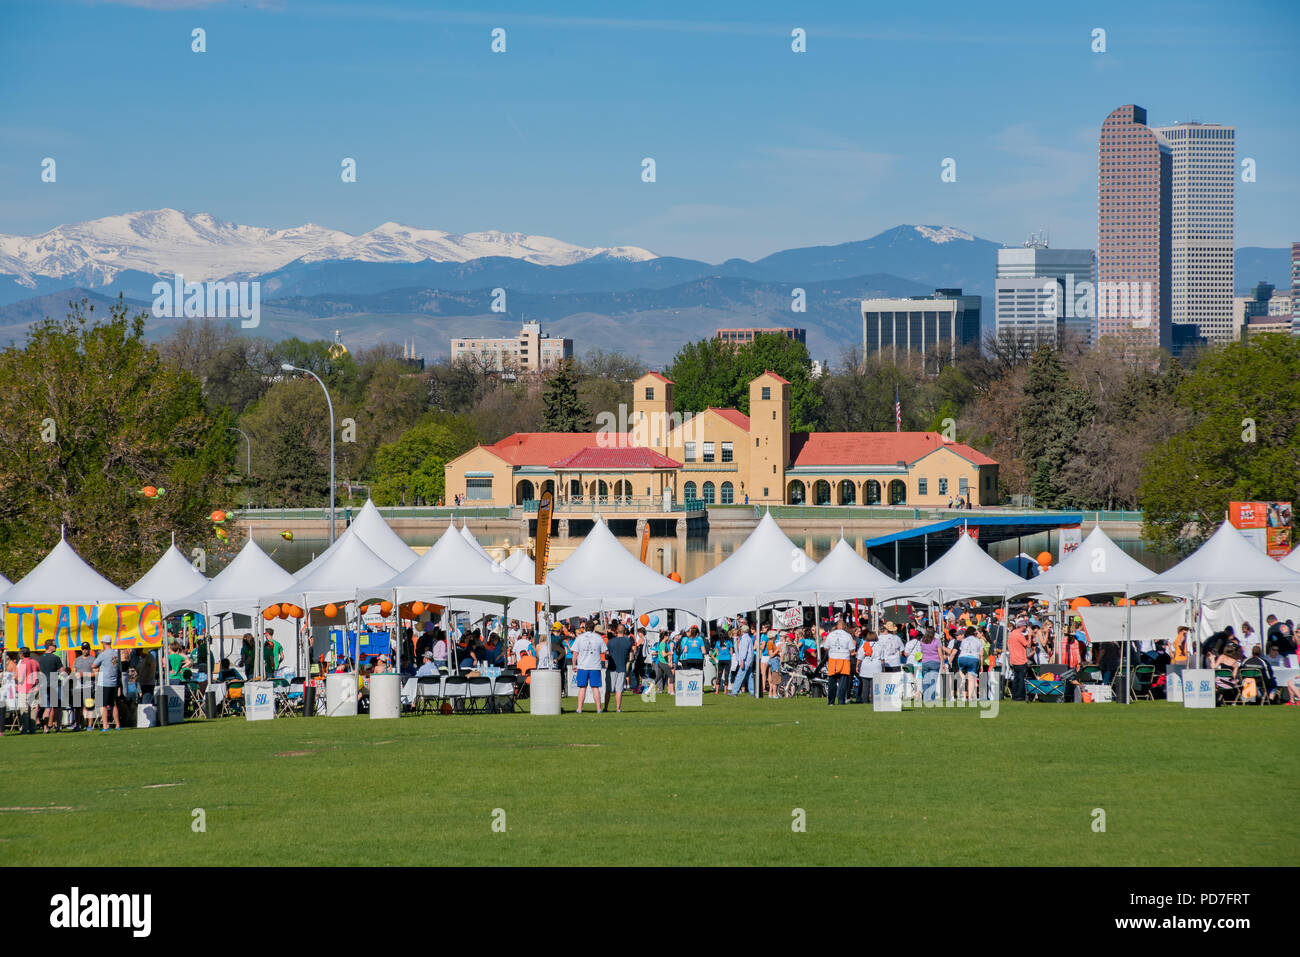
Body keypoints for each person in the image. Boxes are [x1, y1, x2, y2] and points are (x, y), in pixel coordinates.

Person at [570, 620, 605, 714]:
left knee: (582, 688)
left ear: (585, 627)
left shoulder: (580, 638)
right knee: (595, 688)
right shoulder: (598, 638)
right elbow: (605, 651)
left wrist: (574, 664)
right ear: (594, 628)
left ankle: (579, 708)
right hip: (595, 666)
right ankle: (598, 709)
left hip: (583, 666)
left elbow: (575, 653)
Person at [822, 616, 855, 706]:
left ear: (837, 626)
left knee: (832, 681)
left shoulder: (831, 635)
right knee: (843, 682)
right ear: (844, 626)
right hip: (844, 659)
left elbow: (825, 647)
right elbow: (852, 649)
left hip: (833, 659)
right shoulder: (848, 636)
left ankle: (831, 701)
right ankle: (841, 701)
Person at [92, 641, 122, 731]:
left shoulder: (103, 654)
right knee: (113, 704)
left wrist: (99, 667)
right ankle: (117, 725)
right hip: (114, 682)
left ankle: (105, 726)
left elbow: (93, 665)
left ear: (103, 643)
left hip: (104, 682)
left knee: (103, 705)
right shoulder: (115, 653)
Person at [605, 623, 633, 713]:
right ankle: (618, 708)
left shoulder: (610, 641)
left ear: (616, 630)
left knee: (608, 689)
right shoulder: (628, 641)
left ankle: (605, 708)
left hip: (611, 667)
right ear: (624, 631)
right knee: (619, 690)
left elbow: (606, 655)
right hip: (622, 668)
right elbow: (631, 657)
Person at [37, 640, 64, 732]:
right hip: (55, 684)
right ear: (50, 646)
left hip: (43, 685)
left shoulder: (40, 659)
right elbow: (62, 671)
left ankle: (45, 728)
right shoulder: (55, 658)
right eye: (55, 645)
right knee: (58, 707)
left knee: (47, 708)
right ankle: (58, 728)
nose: (56, 647)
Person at [14, 648, 41, 734]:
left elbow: (20, 678)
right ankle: (33, 729)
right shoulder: (35, 662)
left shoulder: (23, 663)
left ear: (22, 654)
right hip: (35, 688)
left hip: (24, 689)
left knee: (24, 710)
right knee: (33, 709)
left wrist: (14, 678)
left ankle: (25, 729)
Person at [730, 625, 757, 697]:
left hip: (745, 661)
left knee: (739, 676)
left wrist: (742, 661)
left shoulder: (744, 639)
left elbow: (744, 651)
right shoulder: (749, 638)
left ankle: (734, 691)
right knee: (749, 675)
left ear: (742, 631)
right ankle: (752, 692)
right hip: (749, 660)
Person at [1008, 617, 1031, 701]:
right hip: (1021, 660)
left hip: (1013, 660)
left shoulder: (1012, 633)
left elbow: (1009, 645)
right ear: (1023, 626)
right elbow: (1028, 645)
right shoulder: (1019, 635)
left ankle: (1014, 696)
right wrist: (1030, 636)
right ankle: (1020, 696)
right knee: (1021, 679)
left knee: (1016, 679)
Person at [957, 626, 982, 701]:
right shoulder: (978, 641)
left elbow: (961, 649)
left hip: (962, 658)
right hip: (973, 658)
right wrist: (980, 665)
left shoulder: (964, 640)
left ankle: (964, 696)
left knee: (962, 672)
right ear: (974, 633)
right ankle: (970, 697)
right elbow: (981, 653)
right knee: (971, 679)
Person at [712, 628, 733, 695]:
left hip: (721, 660)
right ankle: (725, 691)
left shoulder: (718, 642)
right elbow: (731, 652)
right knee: (726, 675)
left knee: (719, 675)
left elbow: (717, 653)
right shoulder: (729, 642)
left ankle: (717, 691)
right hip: (728, 659)